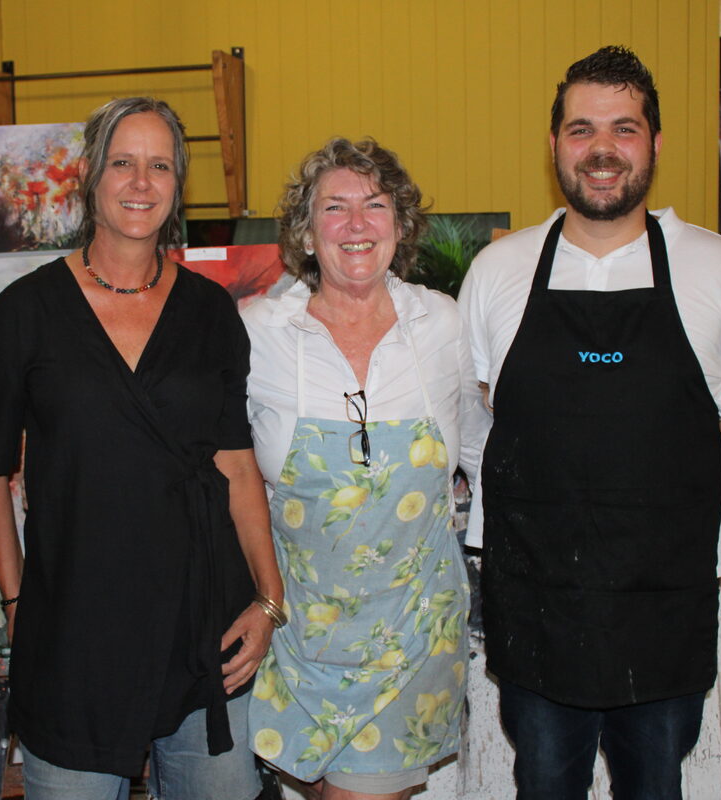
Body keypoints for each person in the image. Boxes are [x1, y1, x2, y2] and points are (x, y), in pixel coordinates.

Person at [458, 46, 721, 800]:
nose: (602, 149)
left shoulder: (714, 267)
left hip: (661, 595)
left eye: (624, 128)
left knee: (654, 785)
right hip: (539, 597)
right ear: (553, 146)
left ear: (655, 144)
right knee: (544, 781)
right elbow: (485, 399)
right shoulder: (500, 270)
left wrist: (685, 464)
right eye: (581, 130)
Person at [0, 96, 282, 800]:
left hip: (205, 631)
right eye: (123, 163)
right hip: (76, 632)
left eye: (160, 165)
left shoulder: (209, 311)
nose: (141, 182)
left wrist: (267, 596)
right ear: (91, 177)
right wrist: (18, 602)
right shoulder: (24, 315)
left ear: (178, 186)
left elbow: (234, 462)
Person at [243, 137, 484, 800]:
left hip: (414, 629)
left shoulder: (441, 322)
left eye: (375, 205)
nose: (356, 225)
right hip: (301, 631)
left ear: (400, 225)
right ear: (305, 230)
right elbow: (224, 472)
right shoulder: (257, 331)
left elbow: (481, 449)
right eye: (334, 208)